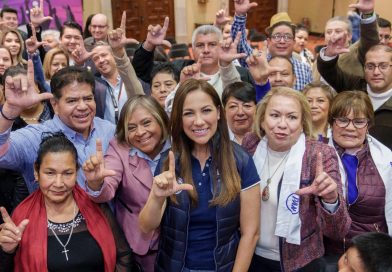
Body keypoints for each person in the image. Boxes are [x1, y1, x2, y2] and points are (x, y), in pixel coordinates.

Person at [139, 79, 261, 272]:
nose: (198, 121)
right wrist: (157, 196)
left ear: (219, 113)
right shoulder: (169, 161)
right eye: (188, 113)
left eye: (206, 110)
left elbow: (251, 233)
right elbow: (146, 227)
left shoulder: (241, 160)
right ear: (179, 119)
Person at [241, 87, 350, 271]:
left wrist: (331, 200)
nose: (282, 124)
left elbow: (339, 231)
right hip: (250, 256)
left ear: (302, 122)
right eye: (275, 115)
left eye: (292, 117)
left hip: (300, 262)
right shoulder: (251, 144)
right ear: (262, 118)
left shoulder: (318, 155)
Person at [0, 133, 133, 271]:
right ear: (36, 171)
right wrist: (7, 251)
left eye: (67, 173)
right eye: (50, 173)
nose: (59, 183)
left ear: (77, 172)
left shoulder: (95, 206)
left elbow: (123, 255)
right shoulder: (22, 217)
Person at [83, 95, 171, 272]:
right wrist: (95, 183)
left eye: (146, 123)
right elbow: (107, 190)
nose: (140, 132)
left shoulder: (179, 144)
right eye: (132, 128)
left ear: (161, 120)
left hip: (183, 242)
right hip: (142, 247)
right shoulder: (120, 148)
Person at [0, 62, 115, 193]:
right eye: (72, 101)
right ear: (54, 104)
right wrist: (10, 111)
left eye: (88, 98)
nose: (83, 106)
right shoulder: (37, 137)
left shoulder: (109, 130)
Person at [325, 91, 392, 257]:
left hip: (370, 256)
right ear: (331, 122)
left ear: (368, 125)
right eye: (342, 120)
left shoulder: (387, 159)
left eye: (359, 122)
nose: (350, 127)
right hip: (326, 254)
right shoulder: (314, 154)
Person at [317, 44, 392, 149]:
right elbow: (329, 71)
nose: (376, 72)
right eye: (370, 66)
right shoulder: (354, 86)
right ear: (364, 68)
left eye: (383, 66)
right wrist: (329, 54)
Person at [231, 0, 313, 90]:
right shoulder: (256, 62)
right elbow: (239, 43)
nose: (282, 41)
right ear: (269, 41)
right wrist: (240, 15)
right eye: (277, 36)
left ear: (293, 41)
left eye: (287, 37)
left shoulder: (305, 69)